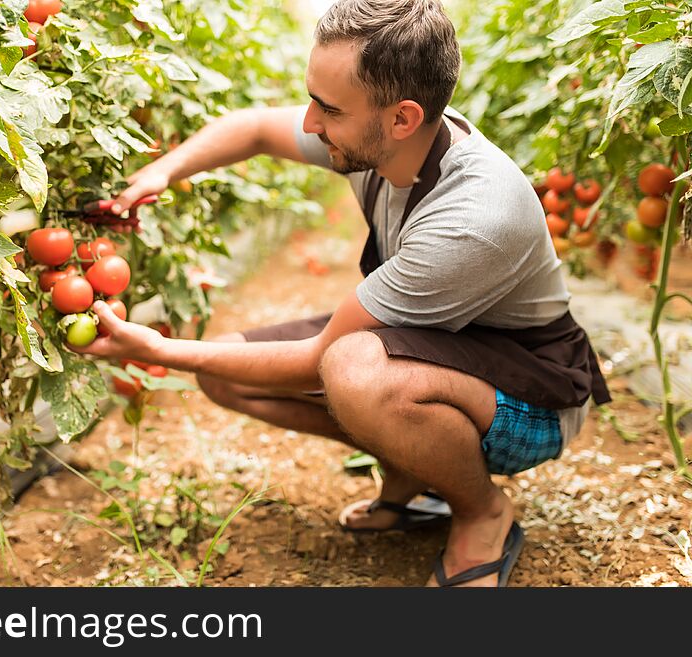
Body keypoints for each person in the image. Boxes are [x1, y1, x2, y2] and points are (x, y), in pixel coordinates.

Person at [72, 0, 610, 587]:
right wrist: (161, 174)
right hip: (443, 352)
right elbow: (253, 129)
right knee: (226, 371)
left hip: (532, 398)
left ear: (403, 117)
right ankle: (409, 463)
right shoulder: (382, 142)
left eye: (328, 108)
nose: (308, 123)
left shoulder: (473, 214)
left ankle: (482, 512)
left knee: (352, 369)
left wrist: (153, 350)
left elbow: (317, 360)